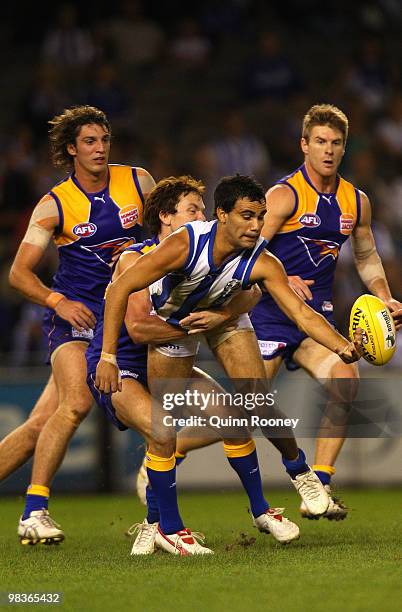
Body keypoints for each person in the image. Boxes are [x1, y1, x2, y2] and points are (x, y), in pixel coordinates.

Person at [96, 174, 362, 548]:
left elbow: (301, 314)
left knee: (256, 401)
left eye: (261, 216)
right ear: (222, 216)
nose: (256, 226)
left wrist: (342, 346)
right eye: (247, 216)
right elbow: (121, 291)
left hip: (220, 319)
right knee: (164, 426)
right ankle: (157, 522)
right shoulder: (184, 244)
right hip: (176, 330)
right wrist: (107, 355)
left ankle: (299, 471)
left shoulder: (263, 261)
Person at [163, 104, 402, 521]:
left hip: (314, 320)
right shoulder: (283, 195)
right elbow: (248, 245)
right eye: (320, 142)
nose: (328, 150)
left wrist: (383, 294)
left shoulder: (355, 202)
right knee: (245, 412)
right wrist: (282, 275)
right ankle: (175, 448)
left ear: (344, 148)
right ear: (304, 145)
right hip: (267, 315)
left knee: (346, 382)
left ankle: (321, 485)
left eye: (336, 143)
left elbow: (365, 255)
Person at [87, 175, 279, 556]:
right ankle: (170, 528)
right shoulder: (135, 257)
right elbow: (139, 328)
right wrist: (193, 324)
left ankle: (260, 511)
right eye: (193, 209)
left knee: (235, 418)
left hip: (168, 361)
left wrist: (219, 312)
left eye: (203, 210)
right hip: (122, 367)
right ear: (166, 217)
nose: (202, 217)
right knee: (162, 431)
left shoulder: (200, 262)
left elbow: (252, 291)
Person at [7, 105, 155, 545]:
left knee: (39, 427)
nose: (99, 149)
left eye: (104, 140)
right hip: (77, 320)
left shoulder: (139, 182)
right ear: (71, 149)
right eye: (89, 142)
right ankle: (35, 511)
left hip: (123, 317)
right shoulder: (54, 204)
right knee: (76, 403)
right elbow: (18, 273)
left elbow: (169, 230)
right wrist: (60, 301)